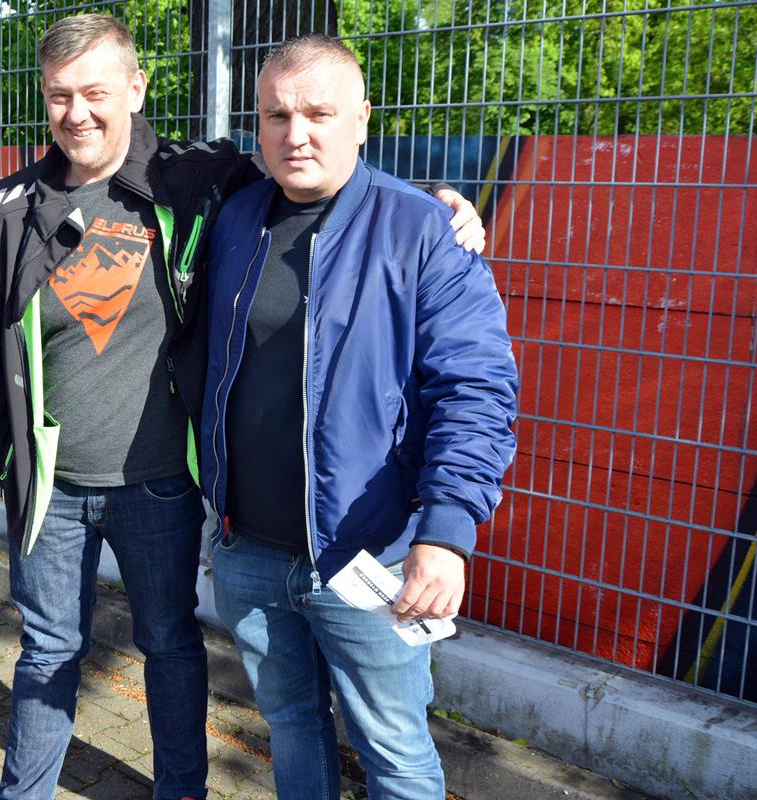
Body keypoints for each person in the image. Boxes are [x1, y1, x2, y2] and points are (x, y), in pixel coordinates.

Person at [0, 15, 485, 800]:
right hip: (103, 507)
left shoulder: (200, 182)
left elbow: (328, 173)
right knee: (59, 654)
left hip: (212, 501)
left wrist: (438, 205)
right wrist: (13, 464)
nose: (77, 112)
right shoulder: (19, 213)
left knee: (189, 654)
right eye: (59, 95)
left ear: (136, 89)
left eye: (96, 92)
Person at [200, 34, 518, 800]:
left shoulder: (422, 229)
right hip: (250, 552)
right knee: (291, 727)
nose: (296, 133)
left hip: (369, 555)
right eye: (276, 115)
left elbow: (476, 389)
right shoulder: (236, 218)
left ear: (363, 119)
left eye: (319, 113)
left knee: (395, 753)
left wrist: (446, 533)